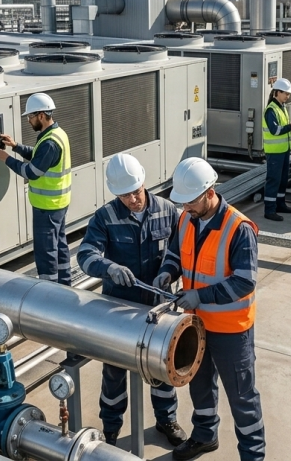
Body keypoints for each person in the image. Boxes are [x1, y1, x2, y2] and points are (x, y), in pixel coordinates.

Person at [153, 158, 265, 461]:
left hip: (231, 331)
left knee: (242, 396)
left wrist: (199, 296)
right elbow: (175, 253)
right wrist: (168, 272)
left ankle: (253, 455)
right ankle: (205, 436)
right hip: (195, 324)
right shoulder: (186, 218)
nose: (186, 207)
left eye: (190, 201)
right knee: (199, 384)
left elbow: (244, 283)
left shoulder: (239, 228)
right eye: (183, 202)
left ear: (210, 192)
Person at [75, 153, 187, 448]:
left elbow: (181, 250)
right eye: (125, 196)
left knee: (161, 367)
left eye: (136, 192)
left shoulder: (167, 210)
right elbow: (85, 256)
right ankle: (111, 429)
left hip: (156, 308)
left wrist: (168, 271)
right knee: (114, 373)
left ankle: (166, 419)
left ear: (143, 183)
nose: (133, 200)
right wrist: (108, 268)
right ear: (115, 193)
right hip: (118, 310)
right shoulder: (105, 217)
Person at [0, 93, 72, 285]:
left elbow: (32, 171)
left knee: (46, 252)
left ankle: (49, 291)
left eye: (30, 116)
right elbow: (38, 156)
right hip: (58, 204)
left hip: (47, 208)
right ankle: (65, 285)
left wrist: (5, 158)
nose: (28, 120)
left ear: (42, 115)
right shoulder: (55, 134)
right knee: (59, 247)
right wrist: (15, 146)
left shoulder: (50, 142)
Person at [261, 78, 291, 222]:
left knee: (282, 179)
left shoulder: (281, 107)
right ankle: (269, 210)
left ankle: (280, 204)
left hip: (283, 150)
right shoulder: (271, 109)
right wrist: (290, 126)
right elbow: (275, 130)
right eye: (286, 94)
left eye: (288, 94)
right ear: (277, 92)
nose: (288, 96)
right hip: (275, 152)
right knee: (273, 180)